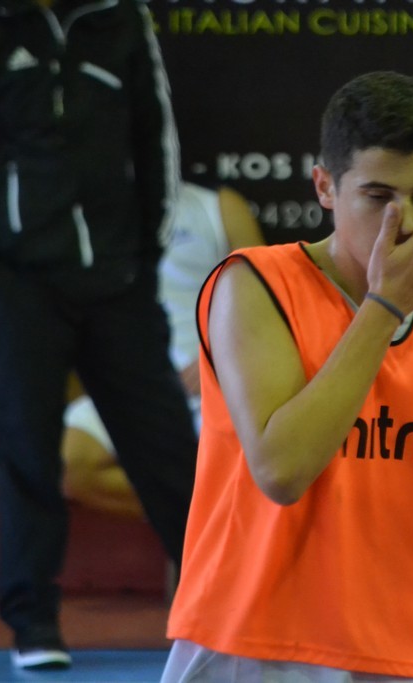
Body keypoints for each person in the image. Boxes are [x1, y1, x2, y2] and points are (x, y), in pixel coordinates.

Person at [161, 71, 413, 683]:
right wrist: (386, 305)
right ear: (325, 187)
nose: (404, 220)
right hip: (259, 645)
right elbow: (282, 471)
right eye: (378, 196)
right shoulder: (255, 284)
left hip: (405, 647)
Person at [0, 0, 197, 670]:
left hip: (120, 285)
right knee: (28, 453)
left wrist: (145, 259)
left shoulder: (122, 17)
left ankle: (223, 606)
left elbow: (156, 140)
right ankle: (34, 622)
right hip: (22, 287)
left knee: (169, 452)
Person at [62, 183, 264, 516]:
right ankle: (203, 525)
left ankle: (207, 531)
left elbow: (265, 303)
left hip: (211, 385)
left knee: (254, 467)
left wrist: (217, 360)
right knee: (73, 465)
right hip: (127, 389)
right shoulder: (82, 211)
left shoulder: (220, 207)